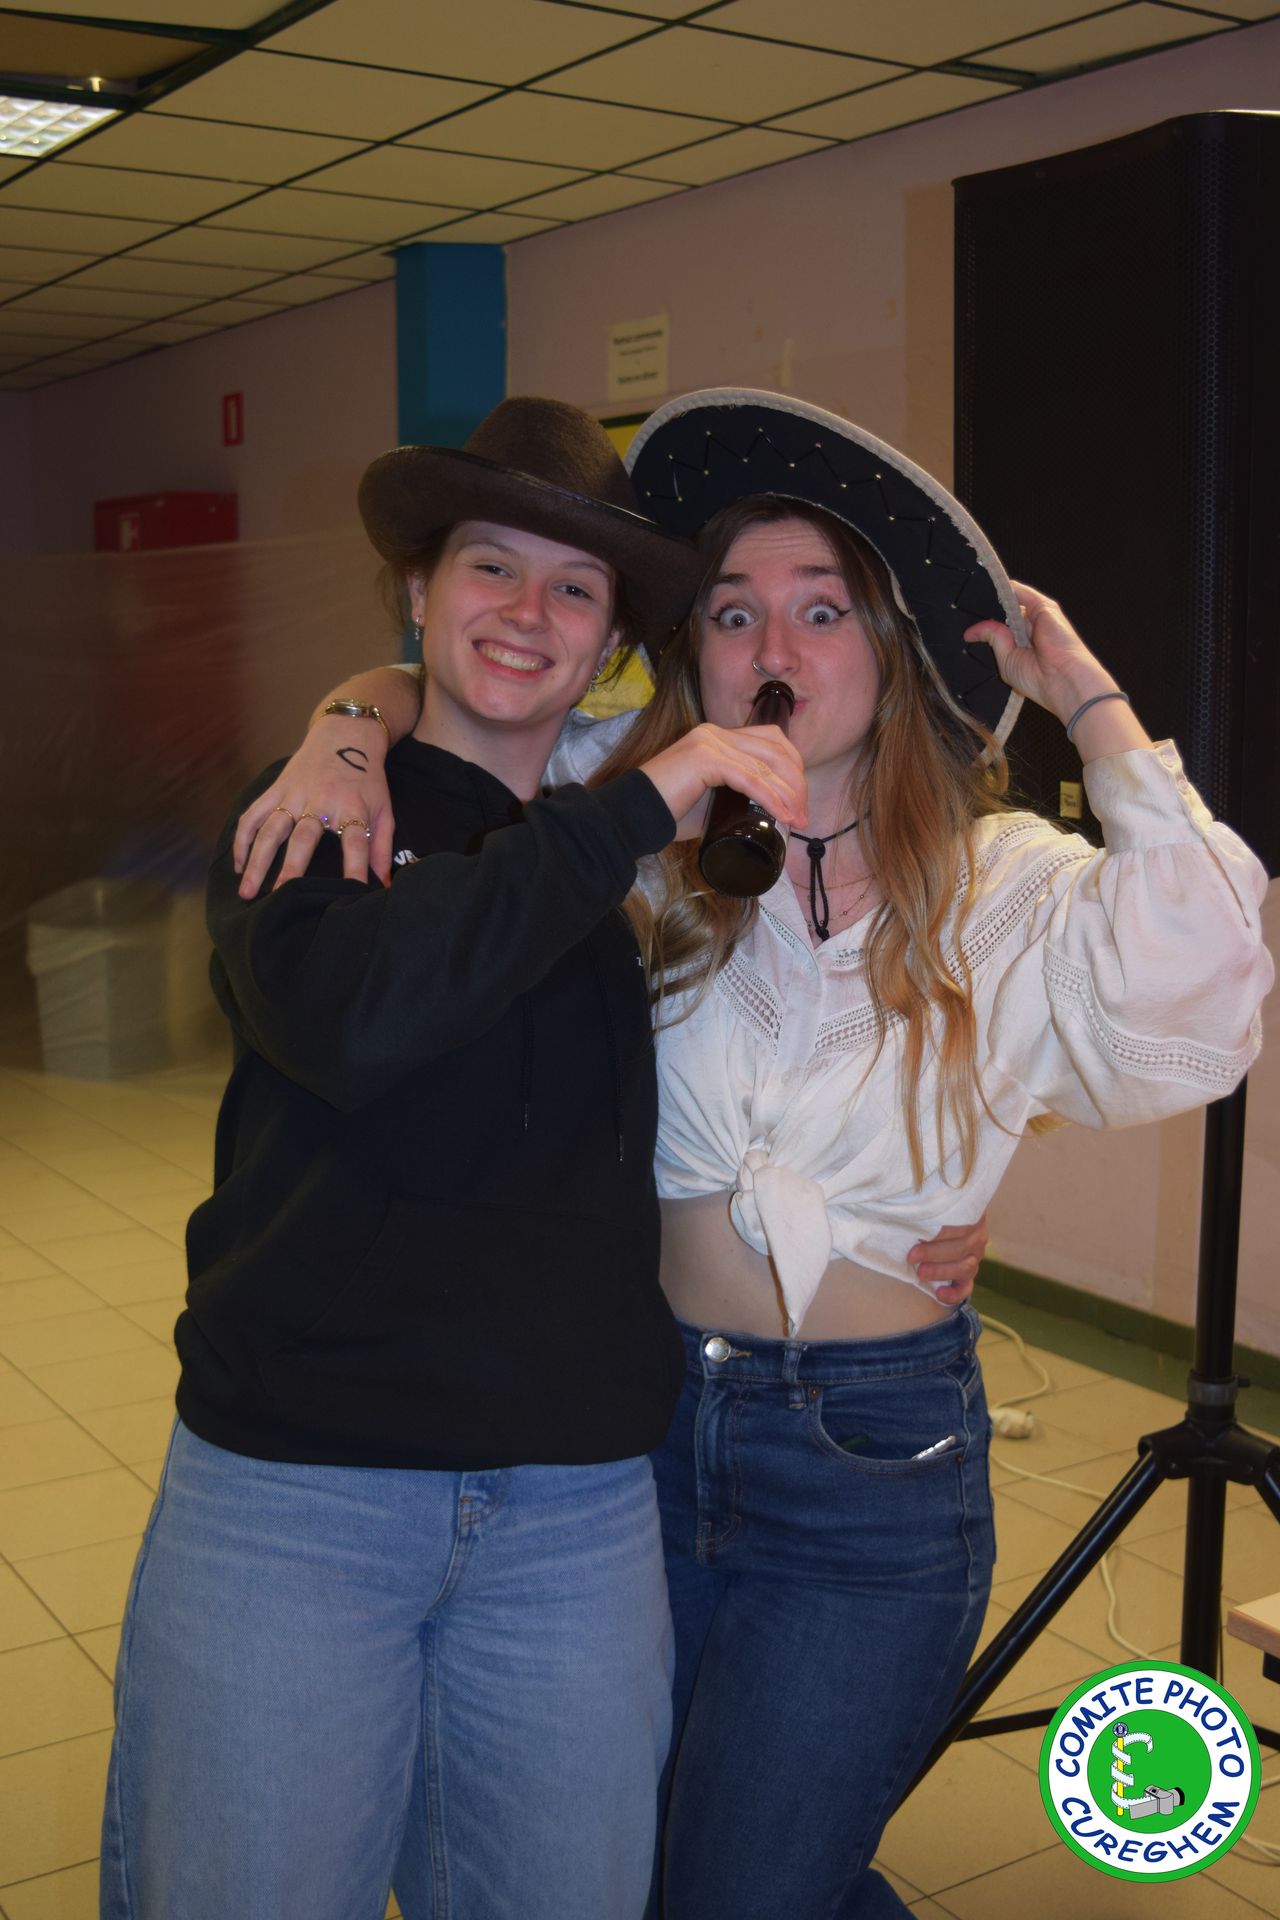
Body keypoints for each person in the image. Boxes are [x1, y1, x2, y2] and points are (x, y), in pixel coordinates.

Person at [234, 389, 1271, 1918]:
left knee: (747, 1885)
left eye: (822, 611)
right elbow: (483, 680)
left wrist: (1090, 701)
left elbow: (1205, 977)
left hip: (872, 1463)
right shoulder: (639, 836)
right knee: (624, 1870)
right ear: (695, 656)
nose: (775, 647)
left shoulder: (1001, 885)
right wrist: (346, 723)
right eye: (733, 612)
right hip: (629, 1440)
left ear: (891, 651)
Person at [99, 395, 834, 1920]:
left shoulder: (616, 857)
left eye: (575, 589)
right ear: (419, 589)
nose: (526, 612)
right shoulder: (313, 815)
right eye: (490, 565)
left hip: (572, 1513)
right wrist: (363, 729)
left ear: (608, 642)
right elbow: (363, 1014)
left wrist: (899, 1225)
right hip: (300, 1496)